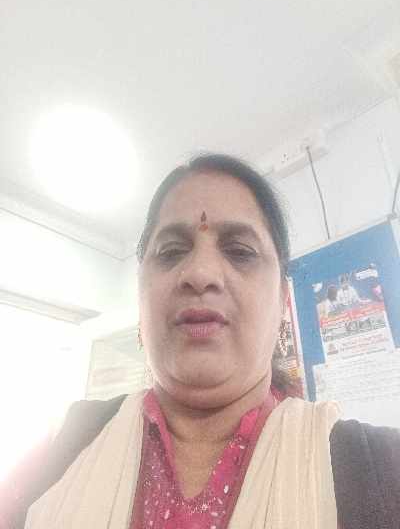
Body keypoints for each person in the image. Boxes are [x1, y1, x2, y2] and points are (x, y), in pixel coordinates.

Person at [1, 153, 400, 528]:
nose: (200, 273)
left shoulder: (380, 471)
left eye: (240, 251)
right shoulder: (64, 447)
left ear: (283, 301)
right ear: (140, 298)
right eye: (171, 251)